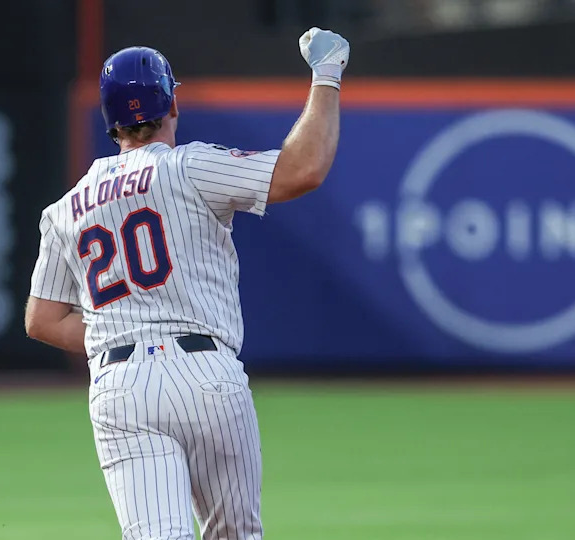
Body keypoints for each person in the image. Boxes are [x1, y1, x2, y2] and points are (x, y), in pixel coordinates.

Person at [26, 27, 350, 540]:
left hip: (119, 384)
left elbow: (41, 320)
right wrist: (327, 73)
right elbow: (303, 169)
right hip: (205, 373)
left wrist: (121, 333)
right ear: (172, 103)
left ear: (111, 122)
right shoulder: (190, 166)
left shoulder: (64, 209)